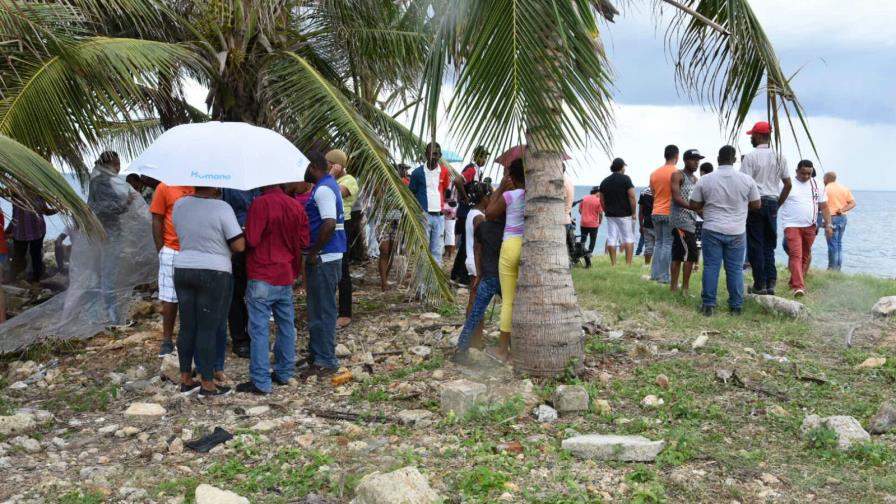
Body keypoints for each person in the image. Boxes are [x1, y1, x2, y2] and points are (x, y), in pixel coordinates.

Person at [236, 182, 309, 395]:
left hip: (262, 271)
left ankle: (261, 381)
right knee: (286, 324)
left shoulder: (260, 203)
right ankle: (285, 372)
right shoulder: (295, 206)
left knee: (259, 328)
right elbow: (304, 241)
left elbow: (253, 238)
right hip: (285, 272)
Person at [172, 186, 245, 398]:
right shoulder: (222, 208)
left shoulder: (180, 204)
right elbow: (239, 245)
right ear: (215, 185)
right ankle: (207, 383)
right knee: (208, 327)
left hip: (183, 267)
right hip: (214, 271)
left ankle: (186, 378)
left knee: (187, 325)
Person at [689, 145, 760, 317]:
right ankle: (736, 306)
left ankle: (708, 305)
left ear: (718, 159)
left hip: (712, 227)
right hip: (736, 230)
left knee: (711, 267)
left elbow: (693, 204)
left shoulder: (705, 180)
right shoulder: (746, 180)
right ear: (735, 160)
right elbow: (757, 204)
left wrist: (706, 207)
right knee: (735, 269)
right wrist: (741, 207)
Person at [301, 151, 347, 378]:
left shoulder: (323, 189)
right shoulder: (326, 187)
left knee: (323, 309)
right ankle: (318, 353)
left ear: (313, 167)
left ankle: (326, 359)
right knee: (318, 308)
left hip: (324, 257)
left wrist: (313, 252)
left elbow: (328, 223)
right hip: (327, 256)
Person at [741, 121, 792, 295]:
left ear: (757, 135)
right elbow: (787, 184)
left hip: (755, 203)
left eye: (752, 136)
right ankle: (771, 282)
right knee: (769, 245)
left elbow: (744, 184)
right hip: (772, 202)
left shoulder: (750, 157)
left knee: (755, 244)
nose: (751, 139)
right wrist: (778, 204)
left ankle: (759, 284)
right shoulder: (779, 157)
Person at [485, 159, 525, 362]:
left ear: (513, 176)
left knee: (508, 300)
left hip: (510, 245)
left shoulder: (511, 195)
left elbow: (489, 213)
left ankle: (502, 351)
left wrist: (500, 187)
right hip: (529, 246)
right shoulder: (536, 196)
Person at [87, 151, 132, 323]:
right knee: (107, 274)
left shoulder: (96, 180)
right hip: (108, 235)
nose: (119, 167)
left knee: (99, 273)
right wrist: (126, 203)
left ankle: (95, 314)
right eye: (116, 164)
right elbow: (108, 207)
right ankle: (111, 316)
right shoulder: (103, 182)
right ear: (107, 165)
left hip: (100, 233)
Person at [150, 182, 195, 356]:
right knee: (170, 298)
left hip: (194, 249)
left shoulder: (199, 185)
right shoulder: (164, 187)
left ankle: (186, 338)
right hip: (171, 249)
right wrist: (161, 249)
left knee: (191, 297)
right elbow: (157, 219)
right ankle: (167, 340)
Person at [454, 217, 503, 364]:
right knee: (511, 312)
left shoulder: (482, 227)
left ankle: (461, 347)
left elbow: (477, 251)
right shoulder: (508, 226)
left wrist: (479, 273)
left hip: (487, 276)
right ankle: (510, 347)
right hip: (503, 276)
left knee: (475, 313)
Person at [780, 161, 832, 297]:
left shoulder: (817, 184)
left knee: (804, 256)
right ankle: (799, 287)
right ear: (797, 171)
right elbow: (777, 202)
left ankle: (793, 282)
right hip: (791, 225)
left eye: (809, 173)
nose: (806, 176)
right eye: (803, 173)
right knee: (795, 254)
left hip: (810, 226)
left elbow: (824, 207)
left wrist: (829, 225)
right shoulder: (787, 184)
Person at [221, 188, 259, 358]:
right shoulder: (228, 185)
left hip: (255, 240)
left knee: (254, 291)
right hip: (236, 239)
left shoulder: (259, 182)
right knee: (235, 292)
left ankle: (252, 337)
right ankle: (240, 339)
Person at [327, 149, 358, 330]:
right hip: (331, 224)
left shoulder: (349, 180)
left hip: (343, 226)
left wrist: (330, 175)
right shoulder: (332, 180)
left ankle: (345, 313)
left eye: (330, 164)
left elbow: (334, 193)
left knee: (343, 269)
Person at [408, 142, 454, 264]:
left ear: (440, 155)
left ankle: (434, 282)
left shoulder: (444, 172)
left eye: (435, 154)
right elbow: (411, 193)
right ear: (425, 154)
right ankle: (421, 282)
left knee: (437, 251)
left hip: (439, 217)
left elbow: (444, 190)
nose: (432, 156)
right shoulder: (417, 173)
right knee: (422, 250)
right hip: (424, 215)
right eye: (430, 153)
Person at [462, 182, 492, 347]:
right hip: (477, 263)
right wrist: (481, 271)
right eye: (491, 196)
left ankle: (471, 338)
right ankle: (475, 340)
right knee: (477, 303)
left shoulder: (472, 213)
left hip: (472, 261)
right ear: (485, 197)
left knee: (473, 301)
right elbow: (479, 245)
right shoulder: (479, 217)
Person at [670, 149, 703, 294]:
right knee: (690, 254)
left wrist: (703, 213)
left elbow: (697, 202)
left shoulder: (696, 180)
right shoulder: (678, 175)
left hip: (691, 221)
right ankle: (681, 288)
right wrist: (694, 207)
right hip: (679, 221)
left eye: (698, 159)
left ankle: (678, 288)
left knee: (681, 255)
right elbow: (676, 198)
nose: (696, 162)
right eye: (693, 159)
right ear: (685, 160)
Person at [648, 145, 680, 284]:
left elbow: (653, 193)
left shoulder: (654, 173)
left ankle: (655, 275)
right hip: (670, 212)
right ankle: (664, 277)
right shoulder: (678, 172)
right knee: (667, 243)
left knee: (658, 243)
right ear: (676, 156)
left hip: (656, 211)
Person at [599, 158, 637, 265]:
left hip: (610, 215)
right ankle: (628, 263)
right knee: (628, 238)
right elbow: (632, 196)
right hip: (625, 214)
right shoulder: (626, 179)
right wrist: (634, 212)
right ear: (621, 167)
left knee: (612, 237)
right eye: (624, 166)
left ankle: (613, 263)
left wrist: (607, 210)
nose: (624, 168)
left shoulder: (605, 181)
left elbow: (601, 200)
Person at [11, 195, 56, 282]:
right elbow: (6, 193)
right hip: (20, 231)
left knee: (36, 255)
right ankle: (13, 277)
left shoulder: (39, 196)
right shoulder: (16, 192)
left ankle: (36, 279)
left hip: (37, 230)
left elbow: (46, 211)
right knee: (19, 256)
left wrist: (58, 210)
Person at [379, 164, 409, 291]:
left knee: (391, 252)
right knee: (384, 251)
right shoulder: (382, 184)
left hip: (397, 220)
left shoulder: (403, 185)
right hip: (382, 220)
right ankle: (383, 281)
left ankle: (385, 277)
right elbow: (378, 197)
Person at [822, 171, 855, 271]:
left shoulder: (825, 189)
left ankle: (832, 268)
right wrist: (842, 210)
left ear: (826, 178)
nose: (823, 180)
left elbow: (822, 205)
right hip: (842, 218)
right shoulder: (844, 188)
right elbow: (852, 203)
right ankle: (838, 268)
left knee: (832, 243)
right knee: (839, 243)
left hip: (831, 218)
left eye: (824, 178)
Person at [579, 186, 602, 255]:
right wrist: (600, 222)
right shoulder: (599, 200)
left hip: (583, 223)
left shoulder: (584, 198)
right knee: (592, 240)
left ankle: (580, 253)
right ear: (597, 192)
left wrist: (585, 215)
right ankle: (589, 254)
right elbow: (600, 213)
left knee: (583, 239)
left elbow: (580, 210)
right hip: (593, 224)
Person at [638, 188, 655, 265]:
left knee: (648, 246)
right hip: (660, 221)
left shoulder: (643, 192)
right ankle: (659, 265)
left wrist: (641, 225)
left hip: (647, 222)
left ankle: (647, 264)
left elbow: (641, 211)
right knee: (661, 245)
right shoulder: (662, 189)